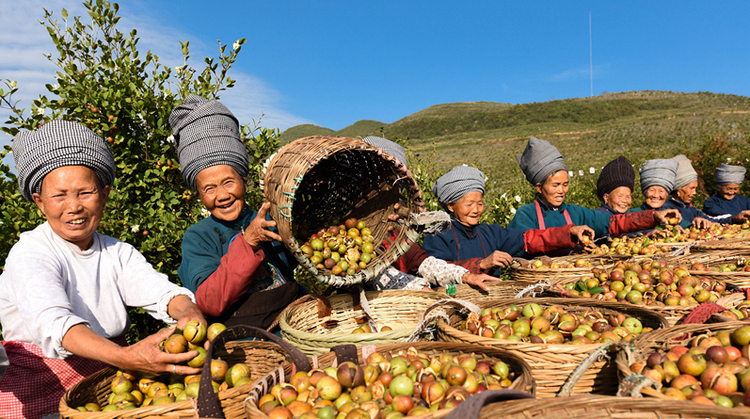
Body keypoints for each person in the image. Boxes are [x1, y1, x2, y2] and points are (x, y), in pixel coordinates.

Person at [0, 120, 206, 419]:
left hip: (110, 388)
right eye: (59, 196)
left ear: (104, 194)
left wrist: (187, 310)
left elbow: (159, 290)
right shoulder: (31, 252)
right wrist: (126, 356)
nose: (74, 206)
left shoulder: (116, 252)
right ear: (40, 203)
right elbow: (54, 323)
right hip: (43, 391)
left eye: (85, 193)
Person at [171, 95, 305, 330]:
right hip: (245, 344)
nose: (222, 195)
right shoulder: (198, 237)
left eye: (228, 183)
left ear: (244, 182)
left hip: (296, 326)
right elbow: (210, 301)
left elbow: (311, 253)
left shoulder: (270, 219)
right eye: (209, 189)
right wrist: (249, 241)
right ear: (199, 196)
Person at [360, 136, 500, 291]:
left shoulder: (395, 228)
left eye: (398, 187)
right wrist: (421, 288)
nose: (397, 194)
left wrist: (466, 275)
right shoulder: (353, 231)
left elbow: (422, 262)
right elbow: (374, 274)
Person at [422, 165, 596, 276]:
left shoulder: (490, 233)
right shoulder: (438, 235)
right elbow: (435, 271)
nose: (476, 209)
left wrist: (569, 232)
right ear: (451, 206)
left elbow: (529, 239)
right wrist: (481, 264)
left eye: (480, 203)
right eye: (469, 204)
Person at [508, 137, 680, 238]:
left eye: (565, 184)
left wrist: (653, 217)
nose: (561, 190)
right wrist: (568, 233)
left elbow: (612, 222)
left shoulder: (577, 213)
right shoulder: (526, 214)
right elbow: (525, 242)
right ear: (539, 187)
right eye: (556, 185)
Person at [660, 155, 722, 228]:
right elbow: (680, 225)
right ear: (679, 190)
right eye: (692, 188)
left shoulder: (691, 209)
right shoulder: (667, 209)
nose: (694, 193)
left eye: (695, 188)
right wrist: (695, 224)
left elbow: (711, 220)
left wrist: (732, 219)